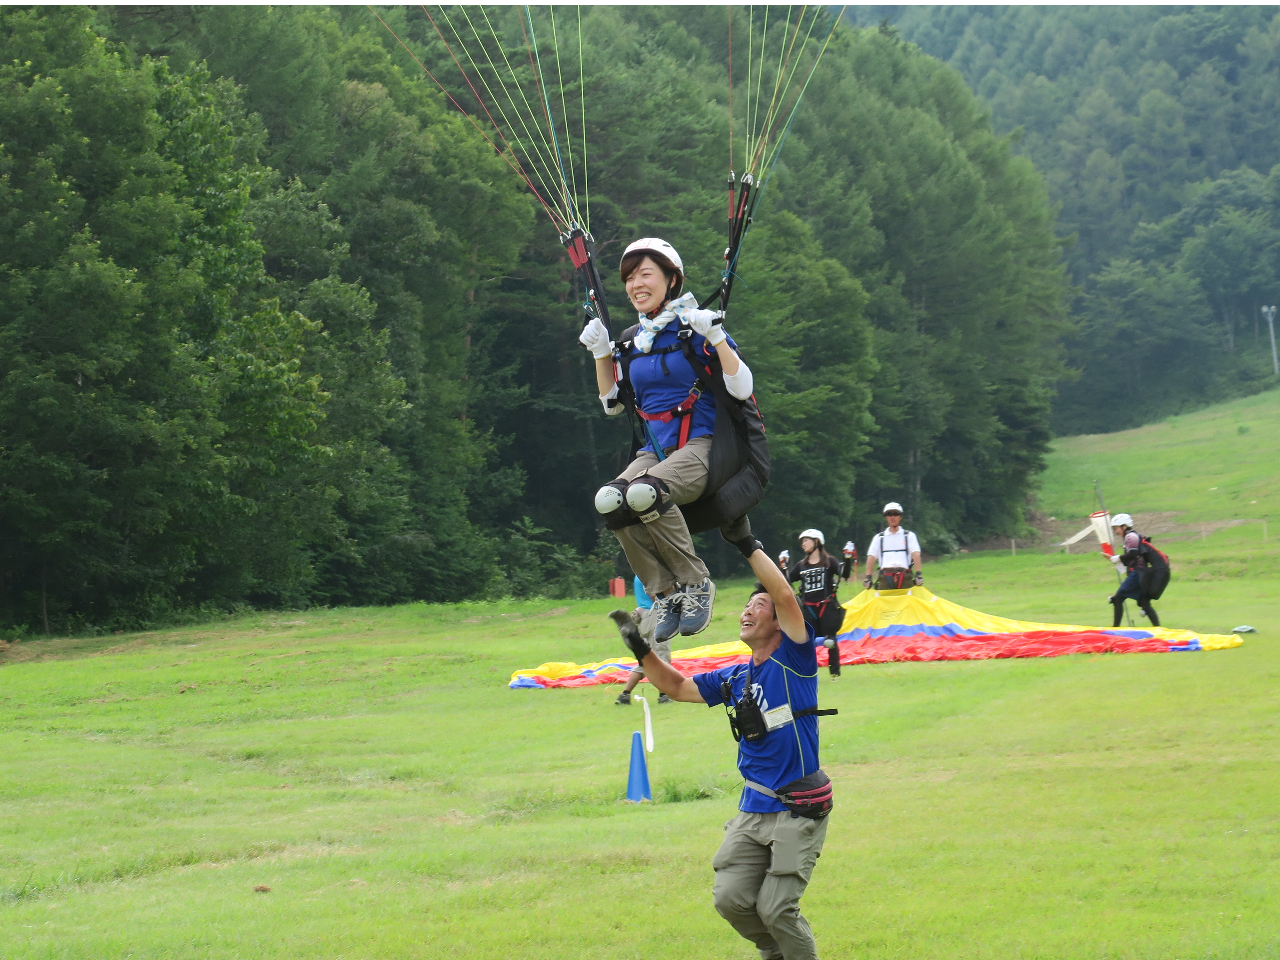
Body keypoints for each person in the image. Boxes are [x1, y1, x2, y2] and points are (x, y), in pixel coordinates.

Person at [610, 534, 834, 960]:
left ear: (780, 623)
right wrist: (641, 649)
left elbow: (785, 594)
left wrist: (747, 542)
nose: (748, 611)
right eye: (746, 607)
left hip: (797, 807)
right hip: (754, 808)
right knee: (730, 899)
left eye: (759, 607)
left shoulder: (795, 660)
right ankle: (778, 953)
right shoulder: (734, 677)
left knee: (776, 908)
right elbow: (676, 686)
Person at [580, 238, 756, 642]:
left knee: (643, 493)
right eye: (629, 278)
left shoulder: (695, 326)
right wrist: (602, 355)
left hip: (704, 444)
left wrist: (716, 337)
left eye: (646, 274)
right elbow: (612, 405)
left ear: (671, 279)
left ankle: (697, 585)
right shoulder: (633, 340)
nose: (635, 284)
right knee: (610, 501)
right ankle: (665, 592)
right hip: (656, 450)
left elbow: (742, 387)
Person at [786, 529, 846, 679]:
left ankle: (835, 673)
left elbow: (844, 574)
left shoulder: (829, 562)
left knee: (830, 640)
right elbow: (787, 580)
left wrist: (849, 558)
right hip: (808, 608)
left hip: (827, 607)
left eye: (806, 540)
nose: (803, 544)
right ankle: (807, 673)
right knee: (807, 642)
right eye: (802, 541)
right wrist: (783, 566)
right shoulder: (801, 565)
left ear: (817, 542)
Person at [615, 576, 673, 706]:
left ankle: (625, 694)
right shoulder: (648, 572)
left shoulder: (639, 573)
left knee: (645, 659)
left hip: (644, 617)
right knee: (661, 656)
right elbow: (654, 596)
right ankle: (663, 695)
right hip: (655, 616)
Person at [1106, 513, 1163, 627]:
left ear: (1124, 526)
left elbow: (1133, 554)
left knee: (1117, 599)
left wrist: (1118, 558)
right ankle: (1158, 629)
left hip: (1137, 573)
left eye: (1116, 528)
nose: (1115, 532)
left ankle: (1115, 629)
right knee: (1144, 603)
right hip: (1139, 573)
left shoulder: (1130, 537)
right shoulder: (1131, 536)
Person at [864, 502, 923, 590]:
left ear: (900, 517)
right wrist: (868, 577)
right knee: (884, 603)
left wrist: (918, 574)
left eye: (896, 514)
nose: (893, 517)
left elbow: (916, 554)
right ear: (886, 517)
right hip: (885, 578)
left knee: (907, 603)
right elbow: (871, 557)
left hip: (905, 578)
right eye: (889, 514)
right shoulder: (879, 538)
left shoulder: (909, 536)